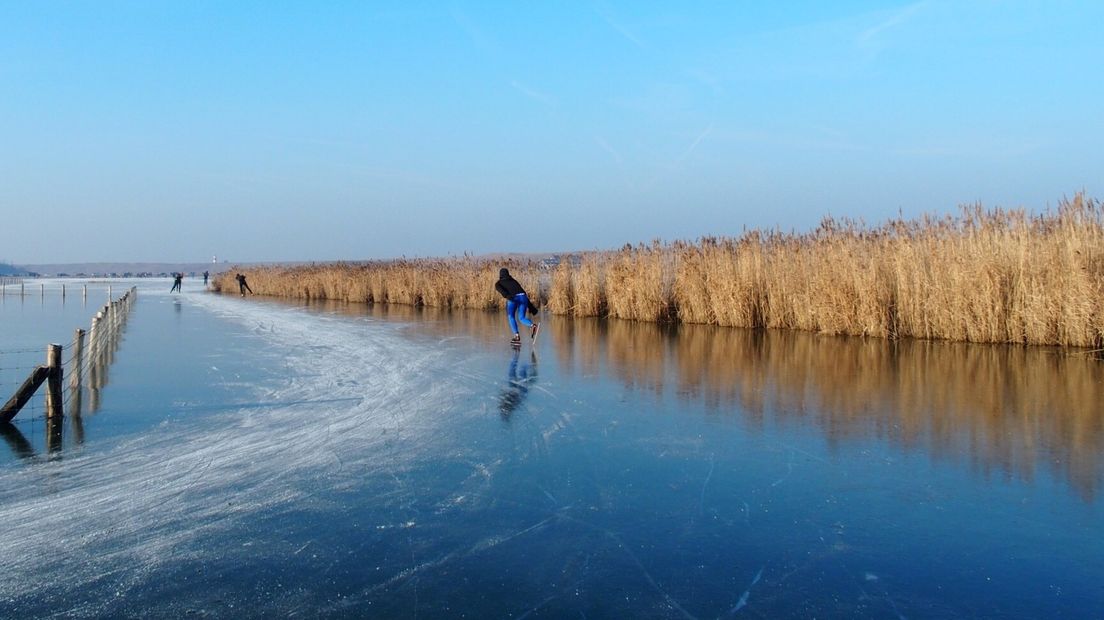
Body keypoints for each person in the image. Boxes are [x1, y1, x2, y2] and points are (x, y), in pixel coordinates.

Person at [495, 267, 538, 345]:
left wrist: (508, 297)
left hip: (513, 298)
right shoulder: (514, 281)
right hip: (523, 297)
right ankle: (532, 325)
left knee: (511, 316)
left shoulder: (498, 283)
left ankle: (517, 336)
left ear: (500, 275)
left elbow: (502, 291)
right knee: (521, 318)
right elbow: (522, 292)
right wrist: (531, 307)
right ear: (508, 274)